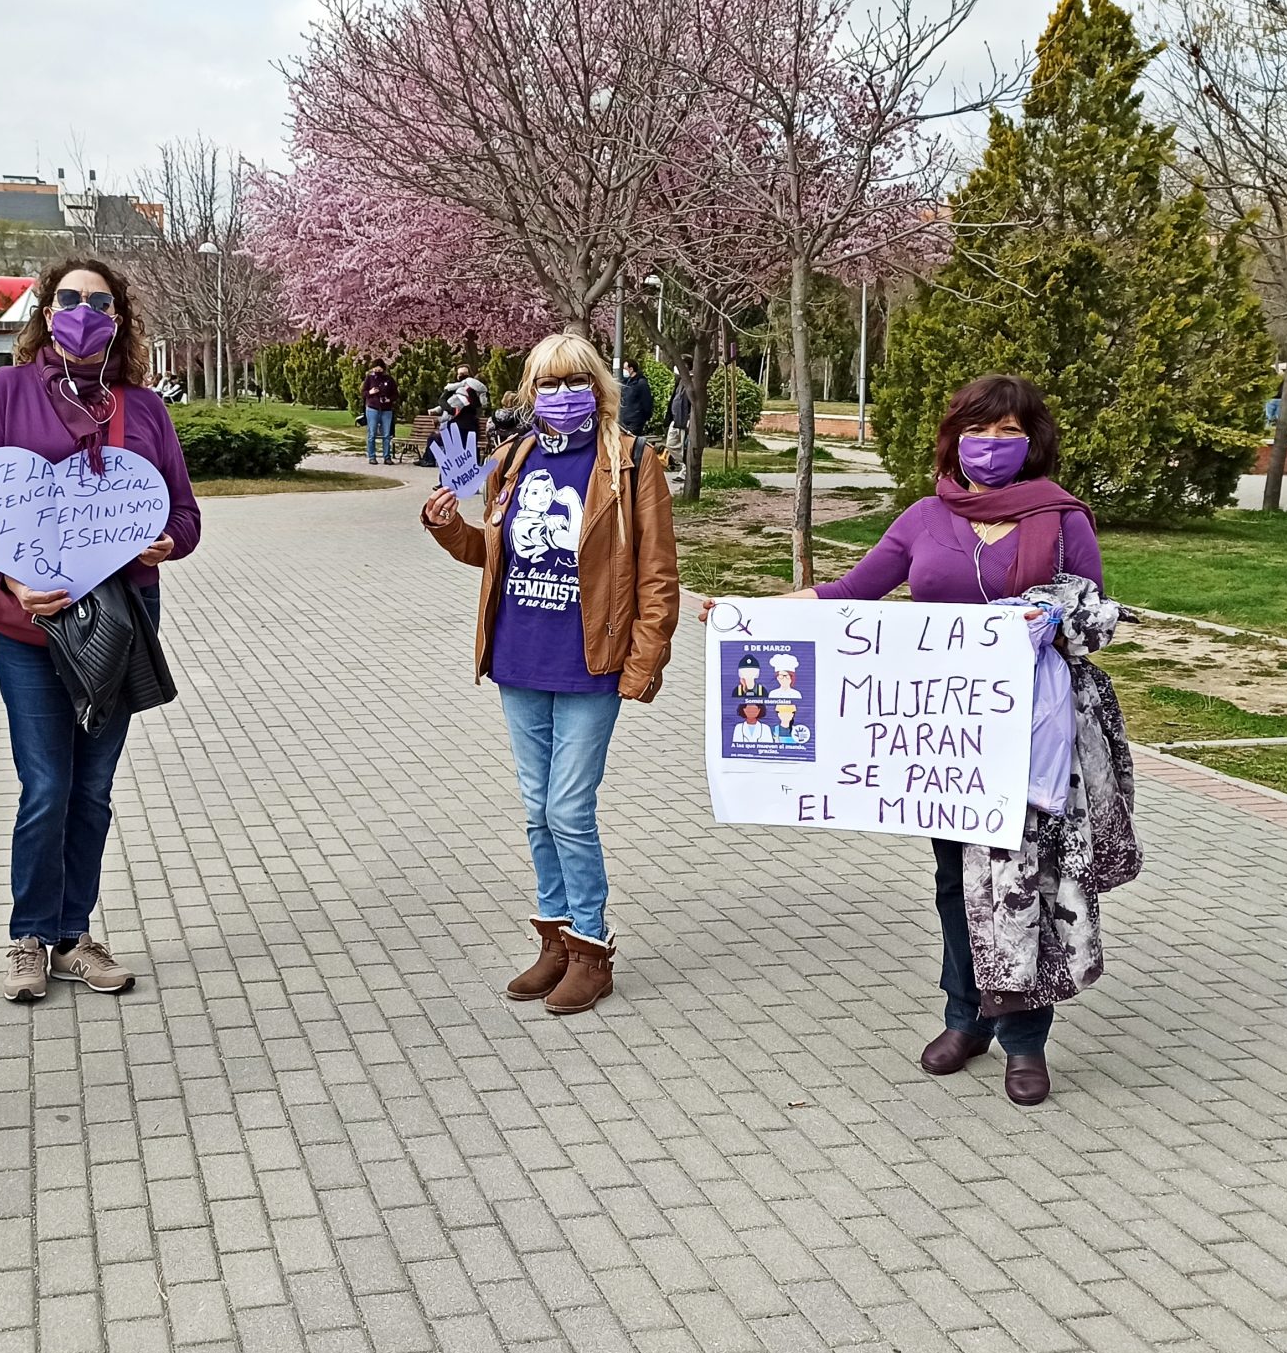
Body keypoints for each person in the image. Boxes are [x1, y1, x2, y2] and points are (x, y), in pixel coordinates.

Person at [724, 375, 1115, 1105]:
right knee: (953, 885)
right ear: (952, 438)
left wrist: (1053, 619)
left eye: (1007, 432)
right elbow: (850, 594)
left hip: (1027, 738)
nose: (991, 446)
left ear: (1032, 440)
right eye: (978, 431)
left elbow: (1095, 617)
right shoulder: (924, 518)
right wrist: (748, 615)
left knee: (1017, 884)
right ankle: (965, 1018)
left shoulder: (1061, 519)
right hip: (946, 748)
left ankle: (1026, 1040)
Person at [421, 332, 679, 1015]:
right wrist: (445, 525)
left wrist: (643, 663)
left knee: (568, 806)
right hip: (519, 655)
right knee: (537, 809)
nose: (562, 396)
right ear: (529, 393)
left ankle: (592, 946)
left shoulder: (630, 462)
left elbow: (657, 576)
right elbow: (494, 552)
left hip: (590, 660)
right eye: (547, 384)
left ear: (599, 387)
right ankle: (556, 938)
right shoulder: (513, 459)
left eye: (575, 381)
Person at [0, 257, 201, 1005]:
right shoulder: (6, 393)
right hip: (29, 623)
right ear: (45, 310)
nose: (83, 311)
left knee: (94, 789)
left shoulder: (145, 408)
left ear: (120, 316)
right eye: (69, 298)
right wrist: (8, 577)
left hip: (121, 622)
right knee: (47, 783)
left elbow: (186, 516)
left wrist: (166, 540)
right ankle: (29, 937)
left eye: (99, 301)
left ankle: (73, 935)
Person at [360, 357, 399, 464]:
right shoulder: (369, 378)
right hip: (372, 408)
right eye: (375, 369)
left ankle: (387, 456)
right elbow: (363, 393)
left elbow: (395, 394)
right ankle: (372, 456)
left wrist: (389, 399)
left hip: (386, 409)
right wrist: (370, 392)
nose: (377, 371)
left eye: (379, 369)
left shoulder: (389, 380)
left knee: (386, 434)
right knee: (372, 433)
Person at [616, 357, 654, 437]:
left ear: (631, 369)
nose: (623, 371)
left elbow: (647, 403)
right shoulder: (626, 383)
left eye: (625, 368)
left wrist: (643, 418)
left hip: (635, 422)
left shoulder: (641, 383)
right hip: (624, 420)